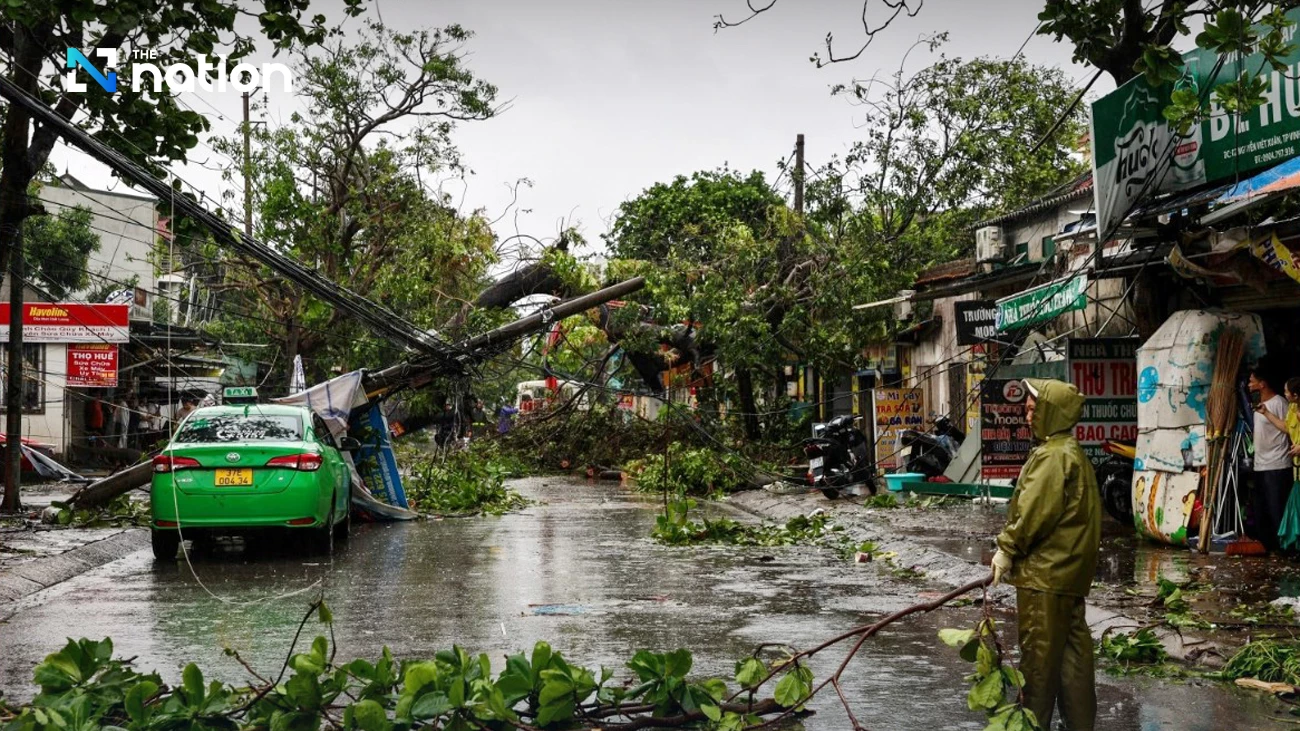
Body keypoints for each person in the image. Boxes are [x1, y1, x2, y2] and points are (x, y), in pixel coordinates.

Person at [991, 379, 1100, 731]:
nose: (1027, 414)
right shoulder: (1073, 453)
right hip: (1070, 577)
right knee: (1074, 663)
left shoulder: (1052, 456)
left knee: (1038, 666)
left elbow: (1033, 514)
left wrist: (1007, 549)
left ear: (1052, 412)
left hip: (1045, 577)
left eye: (1034, 408)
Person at [1249, 366, 1291, 551]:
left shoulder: (1279, 403)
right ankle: (1269, 547)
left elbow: (1289, 429)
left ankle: (1284, 549)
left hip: (1277, 464)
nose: (1249, 385)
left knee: (1277, 510)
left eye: (1252, 381)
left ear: (1262, 384)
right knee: (1262, 511)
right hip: (1260, 465)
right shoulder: (1257, 406)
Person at [1260, 377, 1300, 550]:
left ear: (1296, 395)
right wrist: (1266, 413)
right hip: (1297, 469)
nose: (1284, 394)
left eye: (1286, 392)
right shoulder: (1292, 408)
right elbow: (1285, 427)